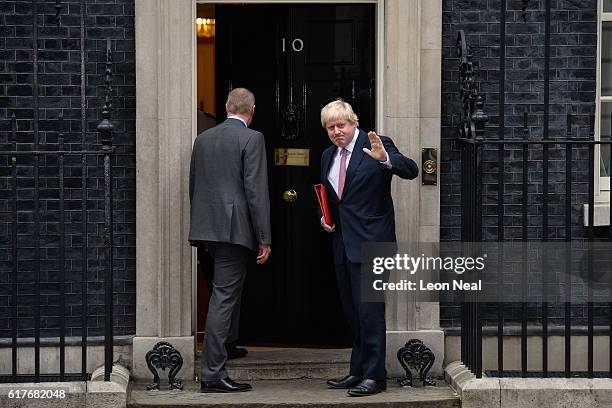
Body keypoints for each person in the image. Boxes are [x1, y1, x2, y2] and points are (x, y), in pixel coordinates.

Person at [319, 100, 418, 397]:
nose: (336, 132)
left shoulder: (376, 144)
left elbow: (411, 169)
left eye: (341, 125)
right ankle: (358, 371)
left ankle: (375, 376)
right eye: (330, 127)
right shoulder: (328, 156)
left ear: (354, 122)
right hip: (343, 244)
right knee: (353, 312)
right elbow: (334, 197)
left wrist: (386, 158)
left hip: (374, 243)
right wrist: (325, 218)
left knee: (370, 312)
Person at [189, 87, 272, 393]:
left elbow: (194, 183)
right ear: (252, 110)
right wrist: (264, 238)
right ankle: (212, 373)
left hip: (206, 227)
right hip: (234, 230)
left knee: (224, 291)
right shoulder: (252, 138)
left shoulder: (203, 138)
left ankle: (228, 344)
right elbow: (256, 192)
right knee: (223, 297)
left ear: (226, 107)